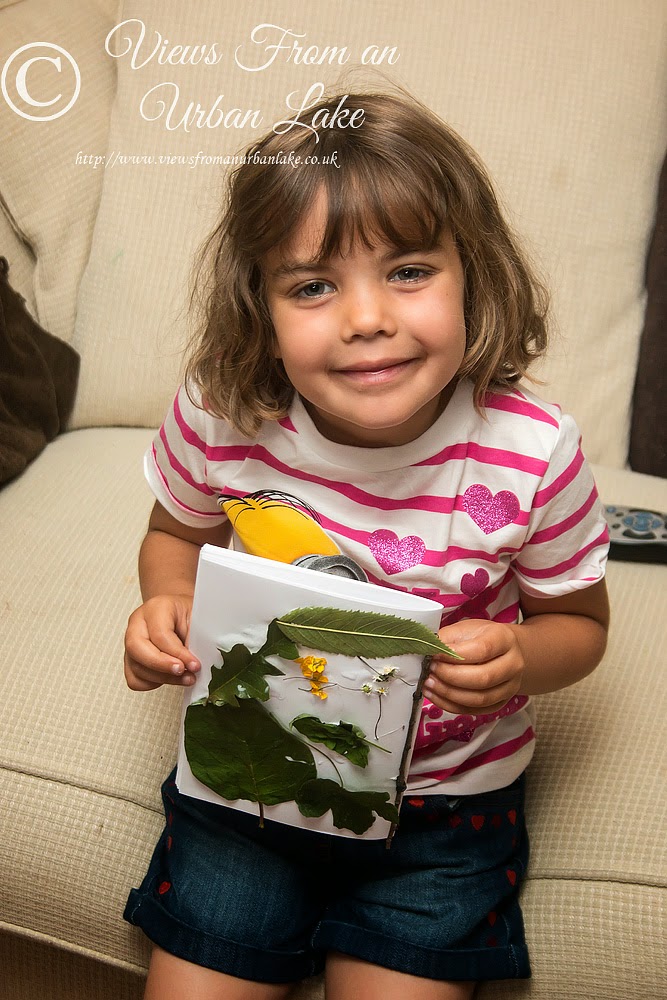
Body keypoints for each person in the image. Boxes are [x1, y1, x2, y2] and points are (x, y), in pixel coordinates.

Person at [123, 91, 610, 1000]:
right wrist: (164, 603)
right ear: (257, 305)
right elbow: (172, 533)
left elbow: (577, 623)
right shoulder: (222, 411)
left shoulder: (532, 449)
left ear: (476, 273)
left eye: (409, 270)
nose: (364, 318)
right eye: (312, 285)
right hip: (250, 786)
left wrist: (521, 657)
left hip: (443, 812)